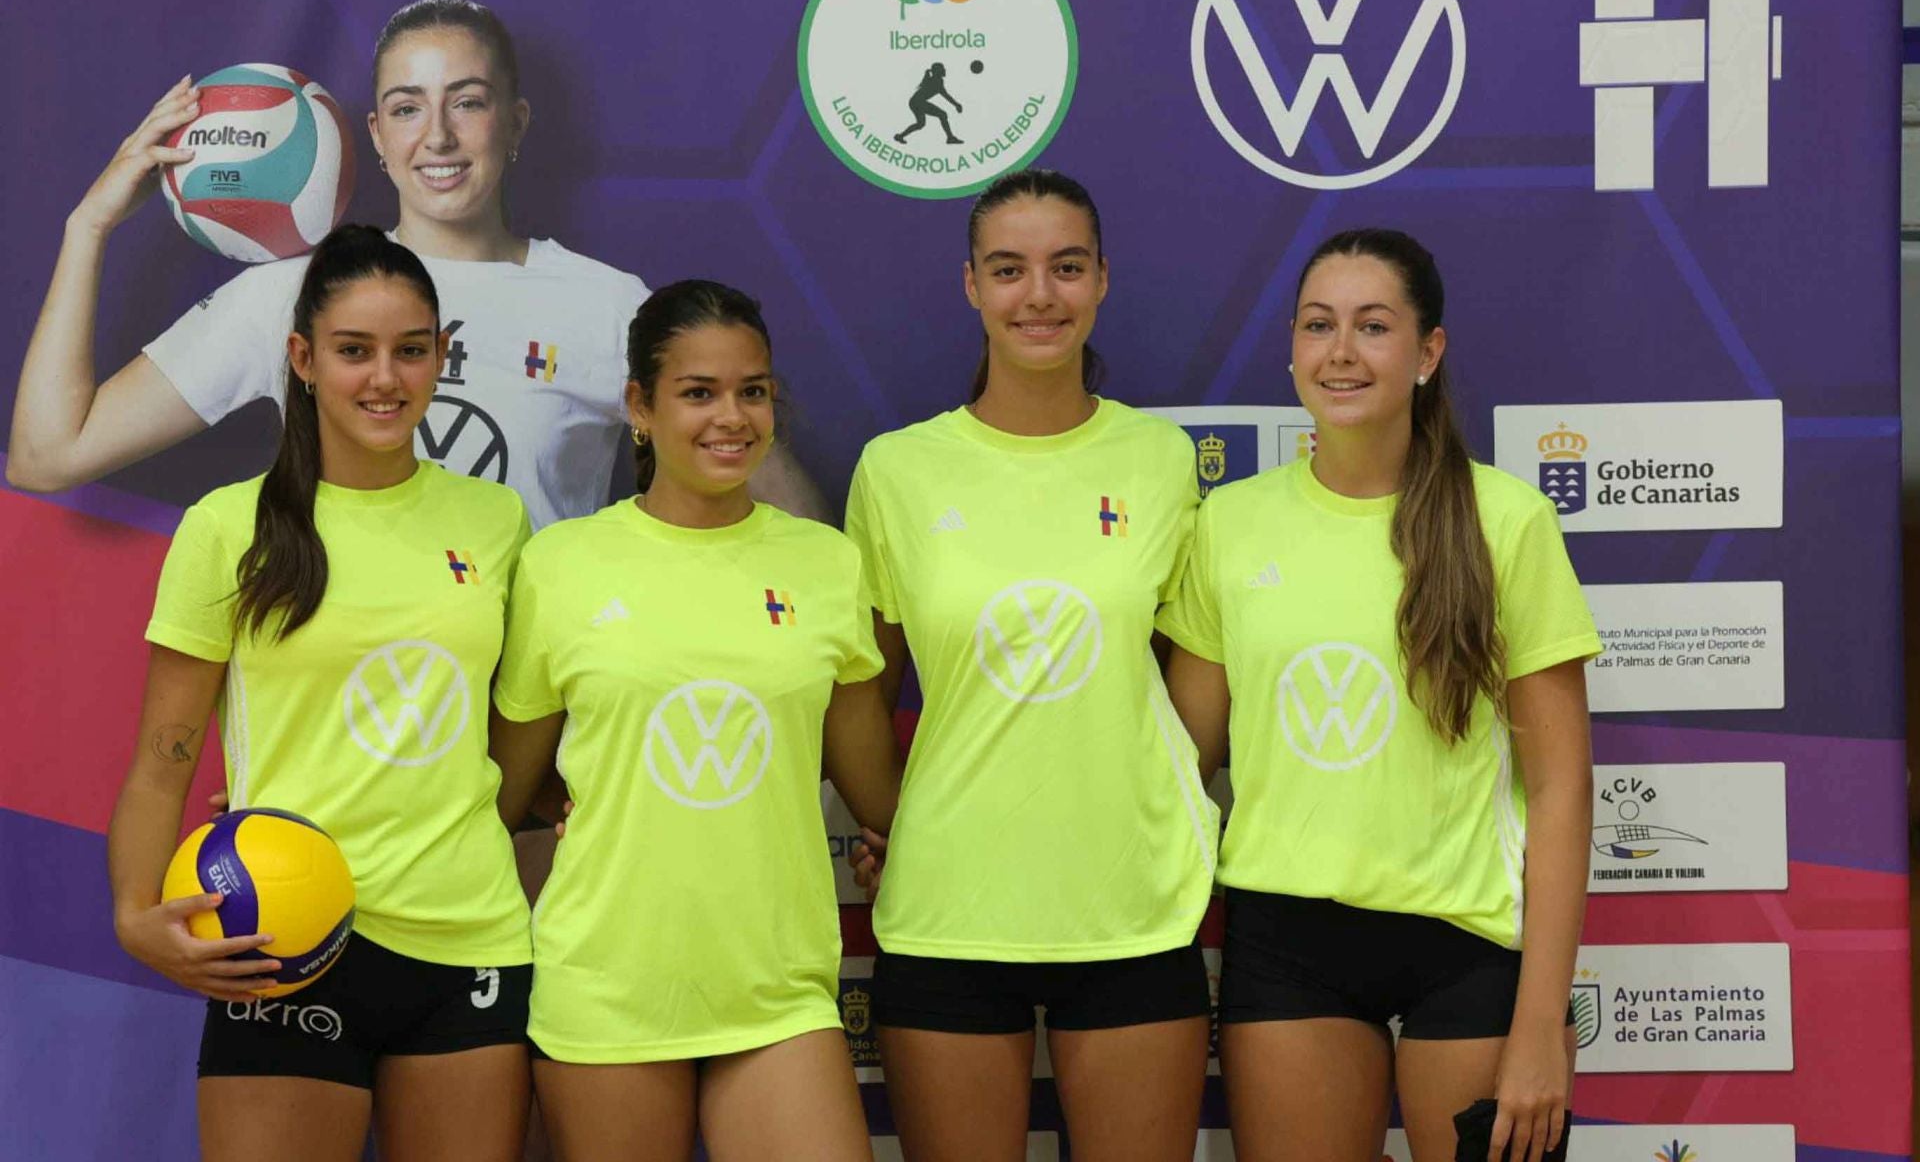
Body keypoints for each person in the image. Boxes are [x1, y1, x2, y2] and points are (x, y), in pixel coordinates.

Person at [7, 0, 822, 528]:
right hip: (344, 721)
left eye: (467, 102)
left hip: (529, 739)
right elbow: (48, 456)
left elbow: (800, 532)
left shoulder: (612, 308)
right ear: (374, 138)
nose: (437, 136)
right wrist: (89, 227)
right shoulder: (294, 293)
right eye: (407, 107)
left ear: (516, 122)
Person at [1158, 229, 1599, 1162]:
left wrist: (1539, 1026)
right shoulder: (1230, 525)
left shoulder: (1506, 522)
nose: (1342, 352)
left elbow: (1561, 791)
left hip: (1471, 945)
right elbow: (1174, 766)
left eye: (1373, 326)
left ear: (1427, 352)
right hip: (1287, 945)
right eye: (1319, 326)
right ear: (1291, 348)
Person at [107, 225, 533, 1162]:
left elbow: (517, 731)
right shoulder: (229, 527)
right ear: (302, 359)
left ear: (440, 356)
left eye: (410, 350)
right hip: (283, 939)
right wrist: (138, 916)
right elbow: (161, 758)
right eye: (353, 351)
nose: (385, 378)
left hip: (471, 938)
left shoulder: (496, 521)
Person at [842, 168, 1217, 1161]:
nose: (1038, 295)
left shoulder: (1161, 458)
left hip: (1133, 908)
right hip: (947, 913)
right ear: (971, 285)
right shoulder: (896, 469)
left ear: (1102, 281)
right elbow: (861, 699)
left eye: (1066, 267)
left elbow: (1198, 684)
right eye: (1009, 269)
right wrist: (896, 823)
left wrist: (1165, 797)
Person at [488, 280, 901, 1162]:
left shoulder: (827, 565)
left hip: (777, 990)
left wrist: (902, 840)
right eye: (698, 392)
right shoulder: (561, 566)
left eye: (752, 391)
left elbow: (881, 800)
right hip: (606, 990)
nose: (732, 418)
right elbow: (494, 795)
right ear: (639, 406)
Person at [893, 63, 963, 146]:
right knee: (942, 115)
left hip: (915, 102)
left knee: (921, 124)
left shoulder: (936, 80)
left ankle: (900, 136)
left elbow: (945, 95)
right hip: (918, 102)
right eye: (942, 69)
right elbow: (946, 95)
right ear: (938, 71)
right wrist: (956, 105)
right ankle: (950, 138)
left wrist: (956, 105)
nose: (945, 70)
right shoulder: (937, 81)